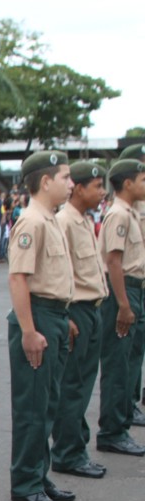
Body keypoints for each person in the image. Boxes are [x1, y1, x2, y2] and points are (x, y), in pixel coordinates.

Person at [7, 151, 77, 501]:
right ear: (45, 181)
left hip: (53, 314)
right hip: (37, 316)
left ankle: (38, 472)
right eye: (65, 177)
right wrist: (29, 330)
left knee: (48, 402)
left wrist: (62, 317)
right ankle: (25, 481)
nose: (71, 183)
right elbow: (18, 277)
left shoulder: (49, 219)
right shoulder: (31, 221)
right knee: (33, 405)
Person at [50, 161, 111, 477]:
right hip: (77, 310)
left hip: (93, 308)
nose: (102, 193)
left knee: (84, 385)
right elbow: (62, 273)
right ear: (80, 187)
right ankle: (67, 452)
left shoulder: (84, 221)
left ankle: (76, 447)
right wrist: (67, 315)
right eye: (97, 186)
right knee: (72, 386)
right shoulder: (65, 222)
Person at [96, 158, 145, 457]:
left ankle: (122, 421)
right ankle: (112, 431)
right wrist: (124, 305)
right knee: (117, 364)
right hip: (122, 290)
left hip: (133, 289)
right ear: (127, 184)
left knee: (129, 359)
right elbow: (114, 261)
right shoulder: (119, 215)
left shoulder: (130, 213)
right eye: (142, 180)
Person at [116, 144, 145, 427]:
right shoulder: (125, 210)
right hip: (129, 285)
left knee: (136, 350)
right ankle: (123, 409)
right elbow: (113, 260)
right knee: (123, 355)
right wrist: (123, 302)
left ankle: (130, 403)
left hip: (139, 282)